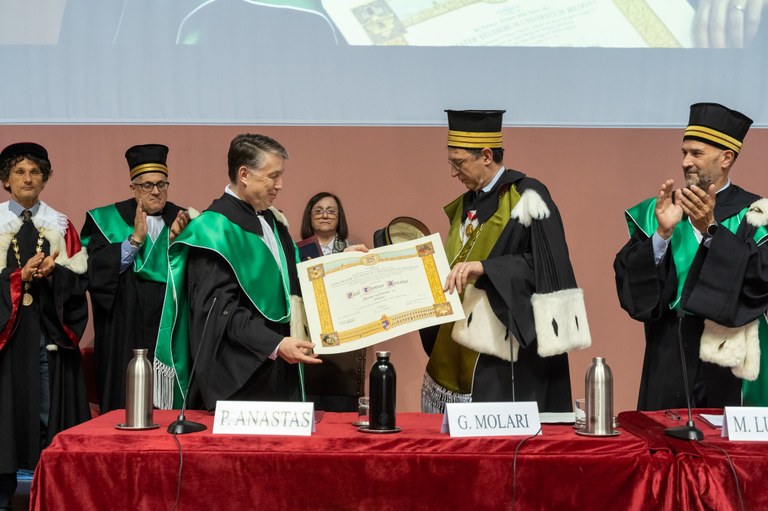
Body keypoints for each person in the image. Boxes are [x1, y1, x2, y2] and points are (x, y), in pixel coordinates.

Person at [420, 110, 591, 414]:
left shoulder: (527, 195)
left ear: (486, 155)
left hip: (505, 359)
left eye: (458, 163)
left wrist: (488, 268)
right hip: (457, 345)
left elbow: (550, 267)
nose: (453, 173)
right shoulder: (465, 205)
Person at [614, 102, 768, 411]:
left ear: (726, 158)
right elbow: (629, 281)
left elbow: (761, 280)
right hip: (669, 349)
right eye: (684, 152)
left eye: (696, 153)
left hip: (729, 355)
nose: (686, 162)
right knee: (663, 447)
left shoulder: (756, 213)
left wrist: (712, 232)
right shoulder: (661, 211)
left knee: (724, 454)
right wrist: (662, 235)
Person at [155, 134, 321, 411]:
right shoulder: (213, 231)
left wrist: (340, 266)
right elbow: (217, 312)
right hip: (241, 374)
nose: (280, 185)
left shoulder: (272, 220)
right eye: (273, 176)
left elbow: (293, 278)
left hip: (284, 363)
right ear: (244, 174)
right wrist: (276, 345)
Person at [0, 143, 90, 510]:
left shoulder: (60, 225)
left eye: (35, 171)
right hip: (5, 343)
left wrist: (55, 275)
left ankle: (48, 495)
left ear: (45, 178)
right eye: (19, 172)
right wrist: (20, 276)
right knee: (3, 420)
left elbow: (79, 283)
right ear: (6, 179)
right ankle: (3, 497)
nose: (27, 178)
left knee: (44, 413)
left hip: (44, 337)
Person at [80, 144, 191, 413]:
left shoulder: (184, 219)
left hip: (170, 321)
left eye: (162, 184)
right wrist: (134, 241)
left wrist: (181, 244)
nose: (156, 191)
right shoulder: (105, 219)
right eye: (147, 185)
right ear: (133, 188)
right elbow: (94, 270)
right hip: (124, 321)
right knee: (124, 400)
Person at [299, 192, 366, 412]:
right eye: (318, 210)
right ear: (309, 217)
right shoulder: (295, 251)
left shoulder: (355, 250)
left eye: (331, 211)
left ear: (339, 217)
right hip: (308, 339)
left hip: (344, 344)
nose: (324, 215)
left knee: (342, 417)